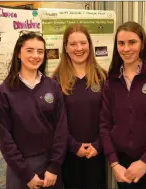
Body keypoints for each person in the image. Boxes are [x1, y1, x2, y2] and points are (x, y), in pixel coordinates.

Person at [99, 21, 146, 189]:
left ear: (142, 44)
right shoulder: (111, 82)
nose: (126, 49)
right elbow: (105, 125)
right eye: (121, 43)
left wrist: (145, 162)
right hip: (122, 165)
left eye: (132, 42)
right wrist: (114, 164)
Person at [0, 31, 68, 189]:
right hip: (21, 170)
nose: (35, 56)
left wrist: (54, 166)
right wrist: (26, 174)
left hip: (51, 168)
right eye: (30, 50)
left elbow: (61, 129)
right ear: (18, 54)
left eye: (40, 51)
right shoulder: (5, 92)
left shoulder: (52, 86)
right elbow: (4, 139)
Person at [52, 24, 107, 189]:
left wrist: (98, 145)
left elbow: (110, 117)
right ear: (66, 48)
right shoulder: (56, 80)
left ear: (89, 45)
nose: (79, 48)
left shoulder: (103, 76)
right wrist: (73, 146)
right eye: (73, 44)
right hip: (69, 155)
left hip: (97, 154)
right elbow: (55, 122)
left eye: (83, 43)